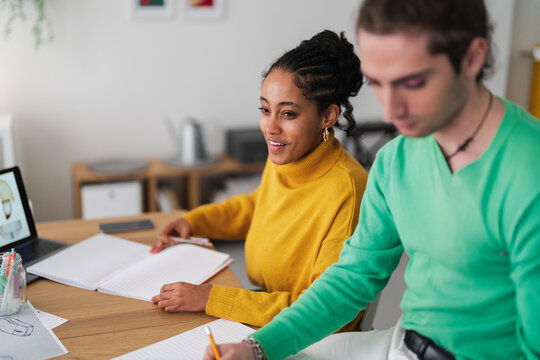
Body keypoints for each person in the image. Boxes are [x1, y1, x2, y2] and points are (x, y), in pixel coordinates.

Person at [203, 0, 540, 359]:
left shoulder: (527, 172)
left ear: (472, 58)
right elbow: (351, 280)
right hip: (404, 344)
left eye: (411, 82)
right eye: (378, 83)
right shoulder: (397, 160)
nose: (391, 110)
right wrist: (257, 348)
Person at [150, 30, 368, 330]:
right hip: (264, 309)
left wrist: (211, 298)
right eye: (265, 110)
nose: (270, 127)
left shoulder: (348, 189)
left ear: (328, 116)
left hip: (304, 335)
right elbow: (258, 205)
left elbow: (323, 312)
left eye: (288, 114)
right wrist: (194, 222)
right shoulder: (289, 156)